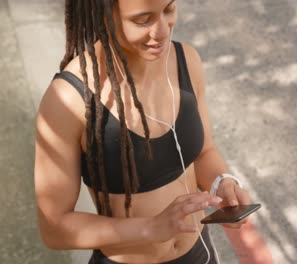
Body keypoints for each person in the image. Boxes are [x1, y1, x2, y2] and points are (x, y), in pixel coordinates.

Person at [34, 0, 271, 263]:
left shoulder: (186, 61)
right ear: (101, 14)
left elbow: (203, 151)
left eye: (168, 10)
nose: (162, 31)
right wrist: (151, 228)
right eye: (142, 20)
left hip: (200, 254)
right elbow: (54, 228)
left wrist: (223, 182)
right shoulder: (68, 99)